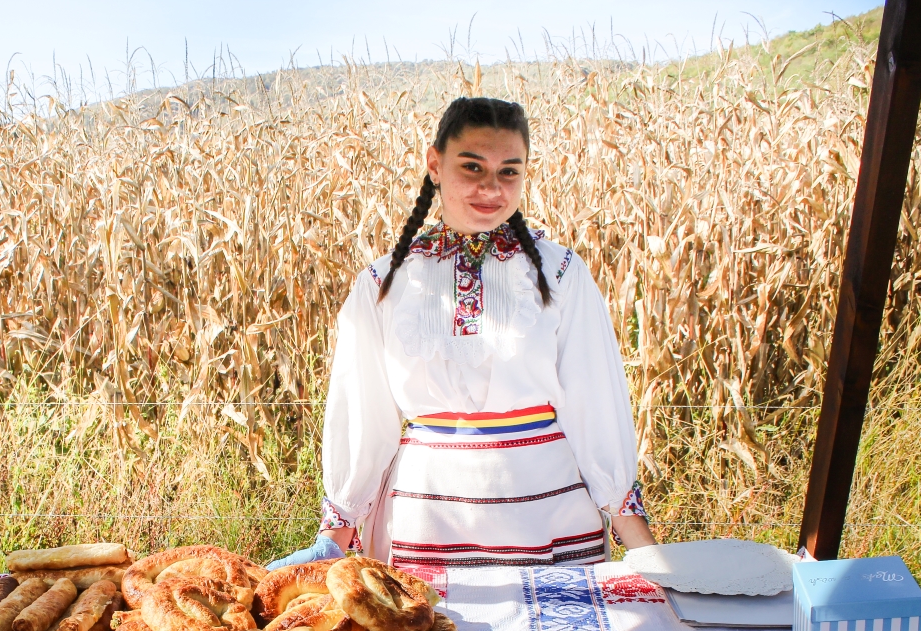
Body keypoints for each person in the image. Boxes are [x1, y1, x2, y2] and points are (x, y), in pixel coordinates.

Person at [269, 96, 654, 571]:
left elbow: (596, 408)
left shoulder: (561, 275)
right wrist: (333, 537)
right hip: (424, 525)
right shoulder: (383, 282)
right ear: (435, 164)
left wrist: (649, 556)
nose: (491, 187)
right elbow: (363, 416)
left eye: (509, 171)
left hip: (550, 521)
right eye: (472, 167)